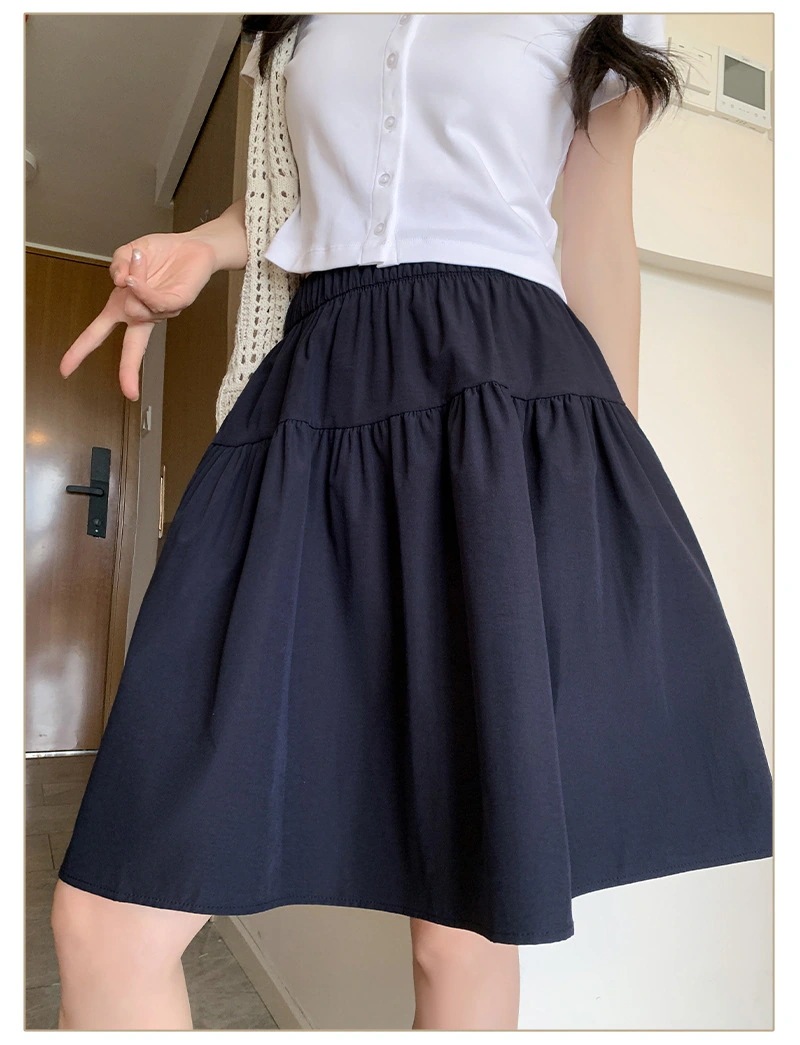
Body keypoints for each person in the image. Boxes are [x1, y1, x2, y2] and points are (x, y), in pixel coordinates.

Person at [49, 12, 773, 1032]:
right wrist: (202, 248)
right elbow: (297, 197)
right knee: (107, 918)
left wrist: (602, 498)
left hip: (500, 393)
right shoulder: (299, 22)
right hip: (313, 391)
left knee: (461, 923)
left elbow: (596, 240)